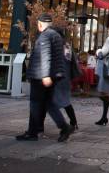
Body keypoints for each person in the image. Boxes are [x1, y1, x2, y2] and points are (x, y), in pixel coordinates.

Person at [16, 13, 75, 142]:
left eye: (38, 24)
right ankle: (64, 127)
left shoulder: (45, 36)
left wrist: (45, 75)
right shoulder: (56, 36)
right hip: (53, 75)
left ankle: (33, 133)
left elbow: (45, 56)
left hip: (41, 76)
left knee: (35, 103)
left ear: (40, 24)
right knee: (49, 104)